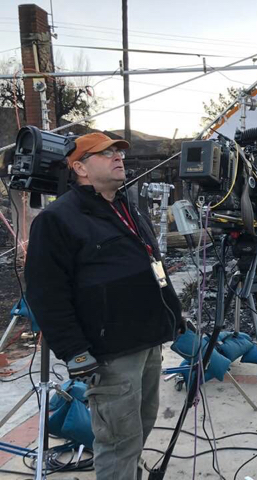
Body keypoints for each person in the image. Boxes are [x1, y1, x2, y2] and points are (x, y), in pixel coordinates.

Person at [25, 132, 183, 480]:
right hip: (110, 353)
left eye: (118, 152)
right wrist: (75, 353)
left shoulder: (125, 207)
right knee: (116, 440)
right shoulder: (58, 219)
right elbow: (46, 294)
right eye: (105, 153)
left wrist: (173, 317)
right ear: (79, 167)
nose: (118, 157)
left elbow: (151, 264)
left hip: (146, 342)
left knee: (141, 424)